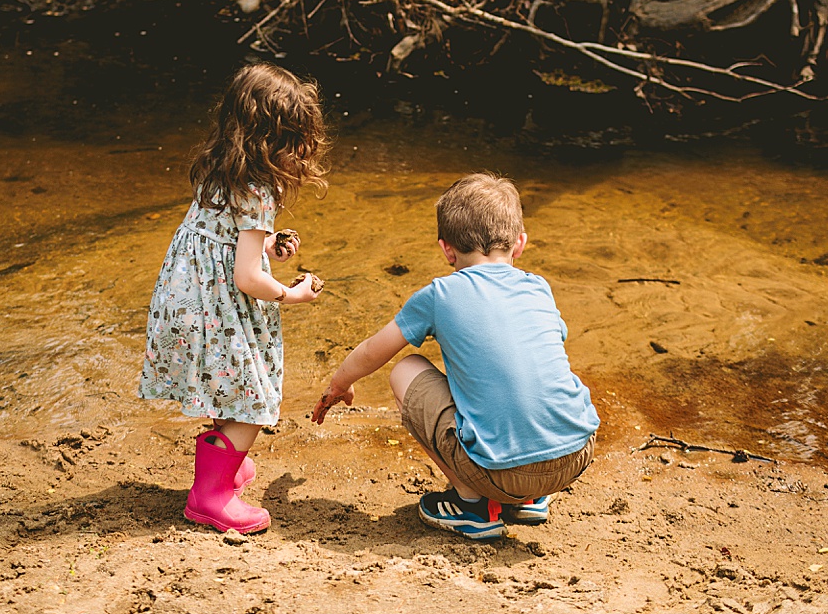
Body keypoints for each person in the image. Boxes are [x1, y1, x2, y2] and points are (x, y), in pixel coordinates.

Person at [312, 173, 599, 541]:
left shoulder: (439, 294)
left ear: (446, 250)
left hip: (499, 471)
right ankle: (530, 499)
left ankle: (472, 506)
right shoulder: (538, 286)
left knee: (406, 369)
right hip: (575, 454)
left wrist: (339, 384)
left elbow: (372, 351)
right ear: (520, 244)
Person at [139, 62, 329, 534]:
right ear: (277, 140)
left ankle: (223, 464)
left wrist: (267, 244)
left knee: (232, 381)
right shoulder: (259, 191)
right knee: (255, 397)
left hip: (188, 302)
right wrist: (291, 293)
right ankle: (211, 495)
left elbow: (224, 240)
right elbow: (246, 278)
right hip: (220, 306)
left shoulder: (218, 170)